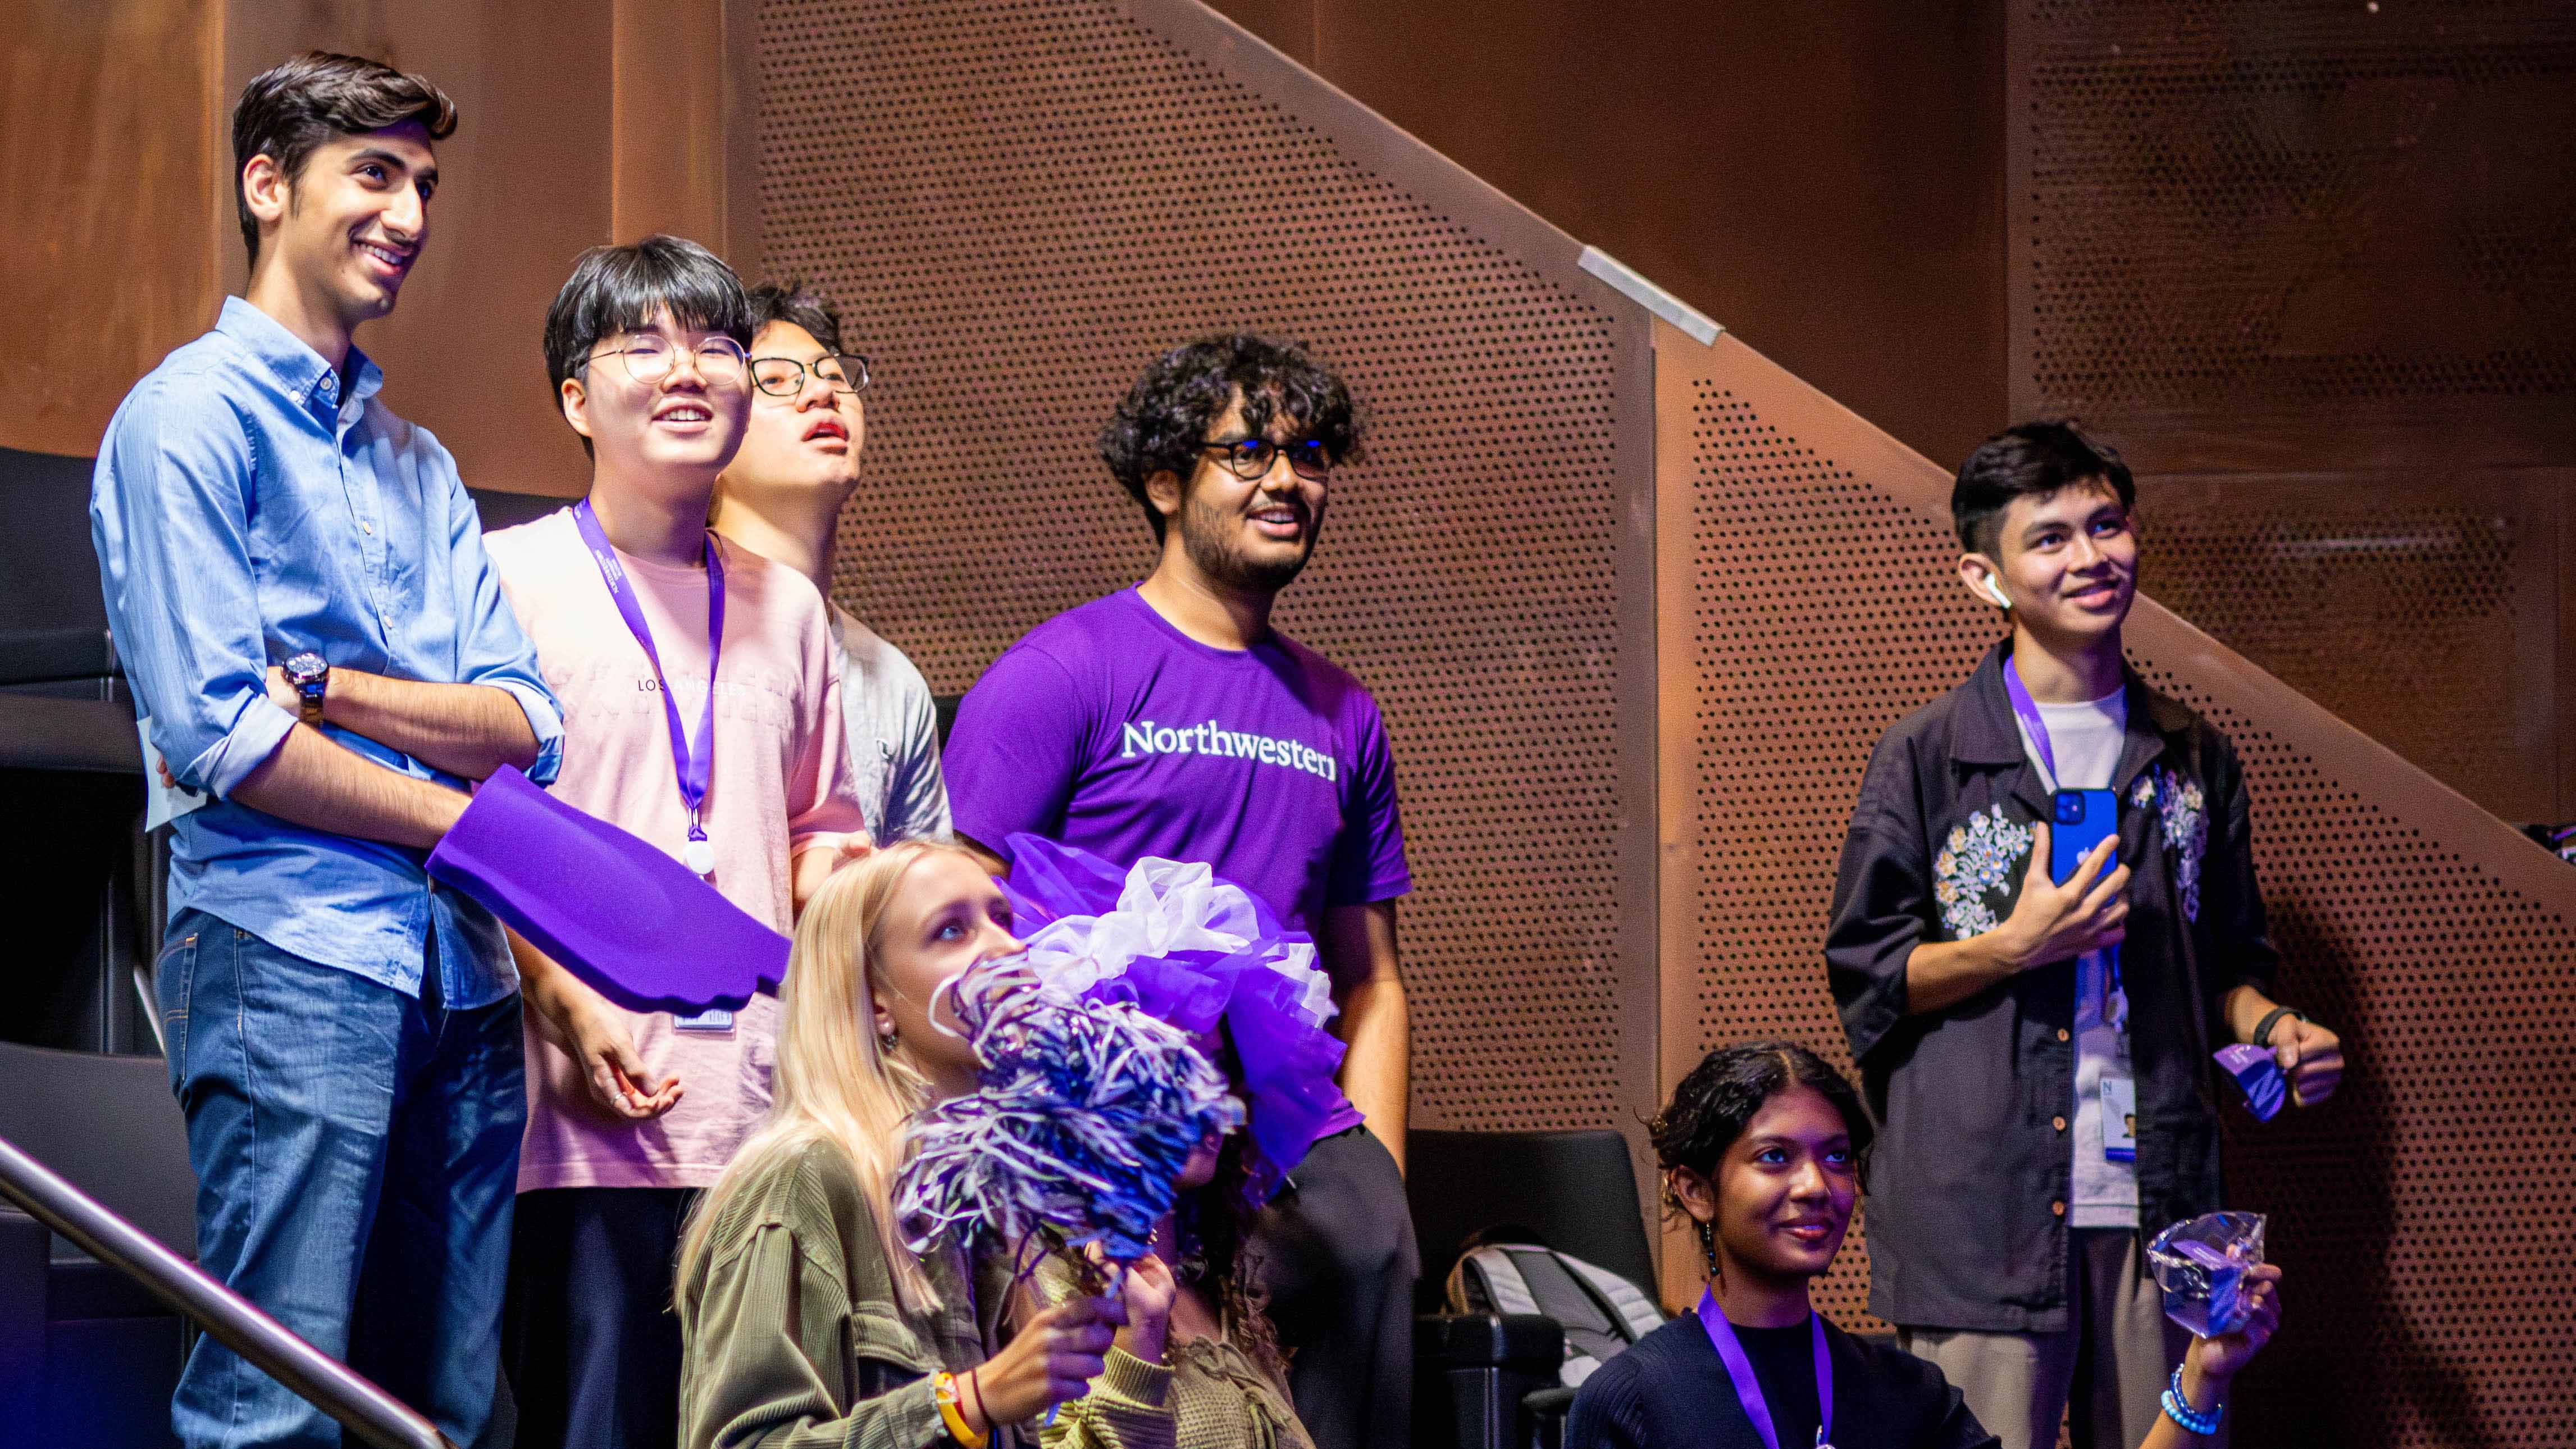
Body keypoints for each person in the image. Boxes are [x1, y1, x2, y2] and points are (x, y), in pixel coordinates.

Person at [89, 51, 564, 1449]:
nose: (411, 212)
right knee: (273, 1411)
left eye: (424, 182)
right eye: (375, 173)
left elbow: (528, 722)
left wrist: (338, 692)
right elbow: (231, 736)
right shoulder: (187, 417)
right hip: (287, 951)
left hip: (461, 976)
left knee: (449, 1414)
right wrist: (446, 806)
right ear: (267, 185)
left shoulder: (416, 460)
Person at [1824, 422, 2343, 1449]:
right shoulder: (1928, 756)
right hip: (1982, 1214)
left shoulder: (2194, 755)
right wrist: (2011, 947)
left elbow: (2230, 963)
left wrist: (2276, 1023)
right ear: (1985, 575)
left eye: (2105, 524)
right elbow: (1868, 973)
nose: (2089, 556)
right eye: (2050, 537)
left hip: (2159, 1205)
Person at [941, 334, 1416, 1449]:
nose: (1286, 480)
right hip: (1098, 1103)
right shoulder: (1065, 671)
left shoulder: (1346, 715)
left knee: (1372, 1245)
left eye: (1306, 453)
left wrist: (1376, 1178)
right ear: (1165, 481)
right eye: (1245, 450)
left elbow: (1373, 981)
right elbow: (957, 917)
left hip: (1280, 1109)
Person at [486, 236, 870, 1449]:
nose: (687, 370)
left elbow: (824, 832)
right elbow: (462, 838)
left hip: (758, 1124)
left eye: (714, 346)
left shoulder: (790, 606)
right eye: (642, 346)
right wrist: (554, 999)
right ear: (573, 399)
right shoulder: (501, 579)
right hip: (567, 1131)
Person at [1565, 1042, 2283, 1449]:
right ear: (1695, 1190)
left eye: (1839, 1158)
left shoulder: (1902, 1393)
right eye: (1775, 1158)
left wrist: (2203, 1374)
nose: (1818, 1185)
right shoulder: (1632, 1402)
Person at [676, 841, 1143, 1448]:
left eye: (1002, 919)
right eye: (952, 931)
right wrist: (965, 1404)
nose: (1008, 949)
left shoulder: (974, 1207)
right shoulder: (801, 1177)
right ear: (876, 1002)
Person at [710, 279, 952, 844]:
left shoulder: (893, 681)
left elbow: (911, 899)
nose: (820, 395)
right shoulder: (663, 632)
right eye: (774, 381)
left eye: (834, 376)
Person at [1039, 1128, 1311, 1449]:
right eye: (1176, 1080)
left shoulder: (1221, 1282)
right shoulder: (1038, 1284)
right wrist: (1140, 1336)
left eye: (1220, 1079)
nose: (1207, 1098)